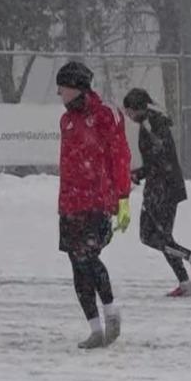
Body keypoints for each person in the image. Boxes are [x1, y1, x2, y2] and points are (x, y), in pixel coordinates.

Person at [56, 62, 132, 349]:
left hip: (97, 201)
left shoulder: (106, 115)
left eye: (61, 87)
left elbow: (119, 156)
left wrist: (122, 197)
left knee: (89, 257)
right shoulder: (66, 121)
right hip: (70, 203)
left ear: (75, 87)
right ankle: (94, 328)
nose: (58, 93)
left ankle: (111, 310)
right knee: (76, 263)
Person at [122, 88, 191, 297]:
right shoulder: (153, 121)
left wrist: (138, 174)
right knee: (160, 238)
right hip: (165, 186)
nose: (128, 115)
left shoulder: (151, 125)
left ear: (137, 108)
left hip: (162, 189)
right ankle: (185, 281)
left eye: (129, 111)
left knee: (150, 236)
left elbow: (158, 160)